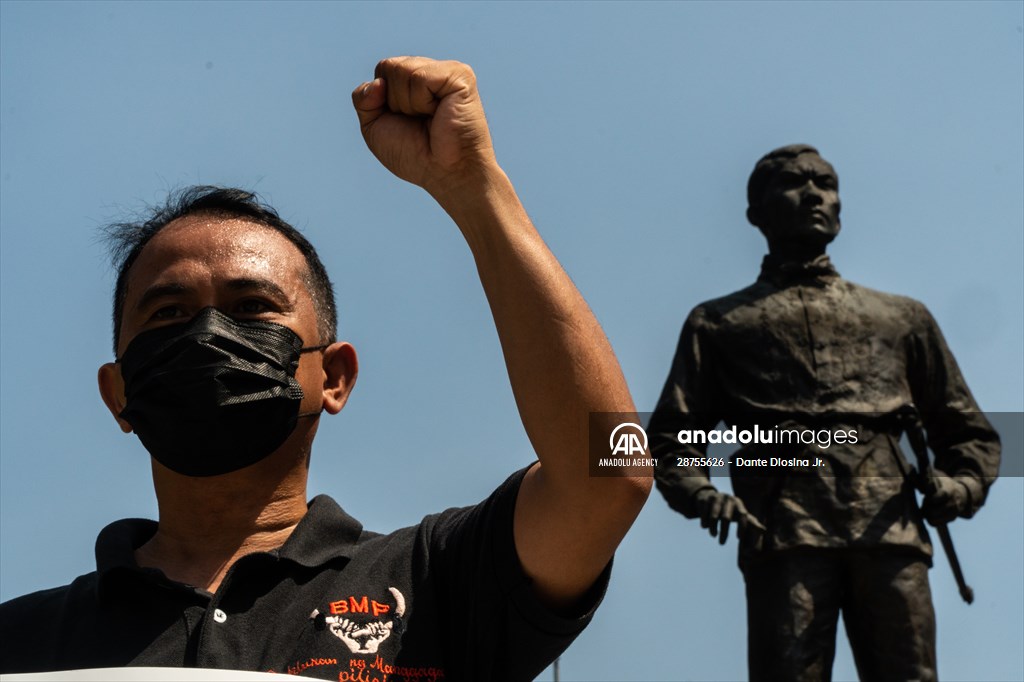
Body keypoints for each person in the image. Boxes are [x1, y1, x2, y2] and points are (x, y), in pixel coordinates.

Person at [0, 57, 651, 681]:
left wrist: (472, 187)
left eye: (252, 308)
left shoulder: (436, 582)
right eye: (169, 313)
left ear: (334, 376)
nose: (208, 336)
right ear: (116, 394)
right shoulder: (20, 641)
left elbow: (610, 473)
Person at [647, 144, 1000, 682]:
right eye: (794, 183)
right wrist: (701, 493)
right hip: (784, 531)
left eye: (826, 184)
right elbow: (671, 439)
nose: (814, 195)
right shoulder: (719, 324)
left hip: (891, 530)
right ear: (756, 213)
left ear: (840, 206)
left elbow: (969, 433)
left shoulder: (901, 319)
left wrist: (960, 487)